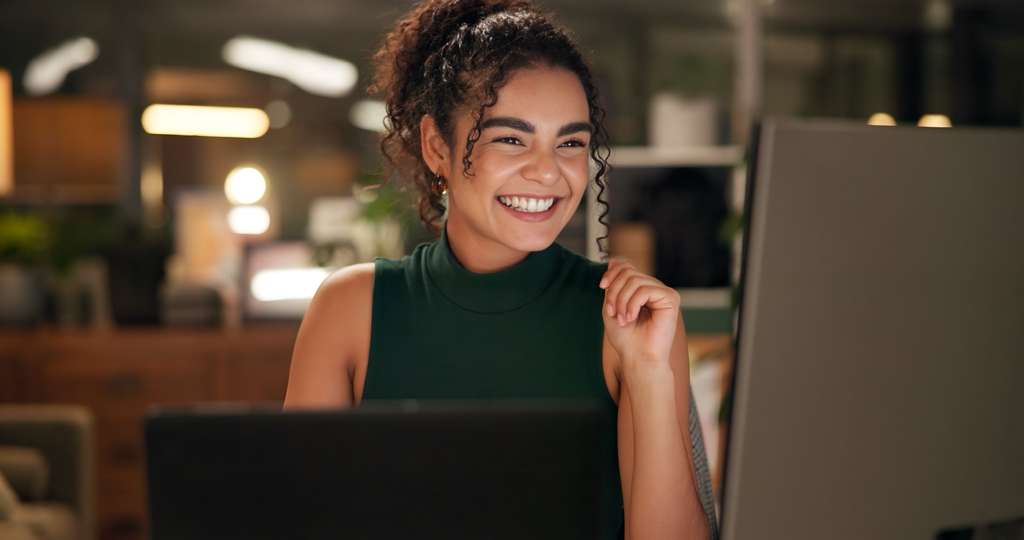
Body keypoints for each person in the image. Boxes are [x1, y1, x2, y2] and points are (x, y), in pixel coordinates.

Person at [283, 1, 717, 538]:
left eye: (571, 143)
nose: (547, 172)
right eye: (511, 138)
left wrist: (651, 376)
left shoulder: (627, 322)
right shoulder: (351, 310)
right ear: (437, 146)